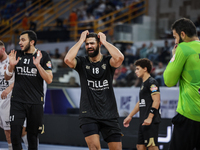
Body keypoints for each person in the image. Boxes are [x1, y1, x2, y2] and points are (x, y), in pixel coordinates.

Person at [64, 30, 124, 150]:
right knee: (94, 147)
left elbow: (119, 58)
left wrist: (105, 42)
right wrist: (80, 40)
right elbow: (68, 60)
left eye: (92, 43)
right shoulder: (82, 62)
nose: (89, 46)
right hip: (89, 114)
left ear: (99, 44)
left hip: (109, 113)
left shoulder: (107, 61)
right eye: (87, 44)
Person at [4, 30, 53, 150]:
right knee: (15, 135)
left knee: (32, 138)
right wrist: (11, 65)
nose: (20, 42)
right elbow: (7, 77)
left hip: (35, 102)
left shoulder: (43, 56)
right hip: (17, 101)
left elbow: (49, 79)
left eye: (23, 40)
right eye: (19, 40)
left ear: (32, 42)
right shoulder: (17, 54)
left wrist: (38, 65)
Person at [163, 18, 200, 150]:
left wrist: (173, 56)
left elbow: (169, 81)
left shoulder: (183, 49)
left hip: (190, 114)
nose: (175, 41)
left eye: (175, 37)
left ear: (183, 34)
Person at [123, 58, 161, 150]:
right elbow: (141, 102)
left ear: (145, 69)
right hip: (143, 120)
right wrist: (130, 116)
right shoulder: (143, 84)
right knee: (140, 147)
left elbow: (156, 101)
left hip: (150, 121)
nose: (135, 71)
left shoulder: (152, 82)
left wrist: (150, 117)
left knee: (152, 146)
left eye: (138, 69)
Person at [0, 40, 28, 150]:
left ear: (3, 49)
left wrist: (9, 88)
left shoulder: (12, 60)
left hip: (12, 99)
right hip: (1, 101)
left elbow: (22, 79)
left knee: (19, 131)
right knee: (7, 132)